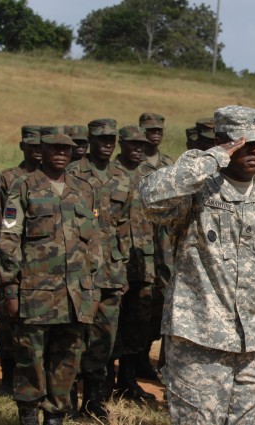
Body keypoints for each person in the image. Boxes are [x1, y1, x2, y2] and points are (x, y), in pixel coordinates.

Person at [139, 105, 255, 424]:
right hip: (199, 337)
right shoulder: (197, 187)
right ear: (223, 142)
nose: (254, 150)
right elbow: (150, 199)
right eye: (244, 142)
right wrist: (211, 158)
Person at [0, 131, 102, 425]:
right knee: (30, 357)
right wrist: (9, 289)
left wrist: (93, 292)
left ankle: (55, 414)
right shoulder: (23, 186)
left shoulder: (84, 188)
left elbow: (93, 244)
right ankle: (28, 414)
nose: (60, 153)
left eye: (66, 149)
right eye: (54, 148)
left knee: (68, 359)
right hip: (35, 293)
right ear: (41, 151)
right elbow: (9, 239)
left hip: (74, 296)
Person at [67, 118, 132, 419]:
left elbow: (125, 226)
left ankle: (93, 399)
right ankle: (66, 394)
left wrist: (125, 267)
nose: (107, 144)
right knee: (74, 335)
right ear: (90, 140)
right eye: (101, 139)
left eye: (111, 139)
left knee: (105, 338)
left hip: (111, 270)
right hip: (80, 270)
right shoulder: (72, 173)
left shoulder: (121, 176)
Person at [0, 125, 42, 395]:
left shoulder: (53, 181)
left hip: (41, 266)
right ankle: (8, 377)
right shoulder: (6, 179)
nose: (37, 152)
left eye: (41, 146)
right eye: (32, 146)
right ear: (23, 147)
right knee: (8, 319)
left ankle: (30, 377)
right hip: (11, 262)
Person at [112, 125, 157, 401]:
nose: (139, 148)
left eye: (142, 144)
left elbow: (162, 224)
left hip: (144, 262)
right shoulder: (110, 174)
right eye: (133, 143)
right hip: (115, 262)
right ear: (122, 144)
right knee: (109, 322)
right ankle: (103, 380)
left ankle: (127, 380)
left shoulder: (151, 177)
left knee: (137, 322)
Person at [136, 112, 174, 380]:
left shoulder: (169, 164)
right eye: (150, 130)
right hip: (141, 244)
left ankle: (148, 359)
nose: (155, 134)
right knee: (140, 308)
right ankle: (136, 359)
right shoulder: (131, 165)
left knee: (162, 304)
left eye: (159, 130)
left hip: (166, 245)